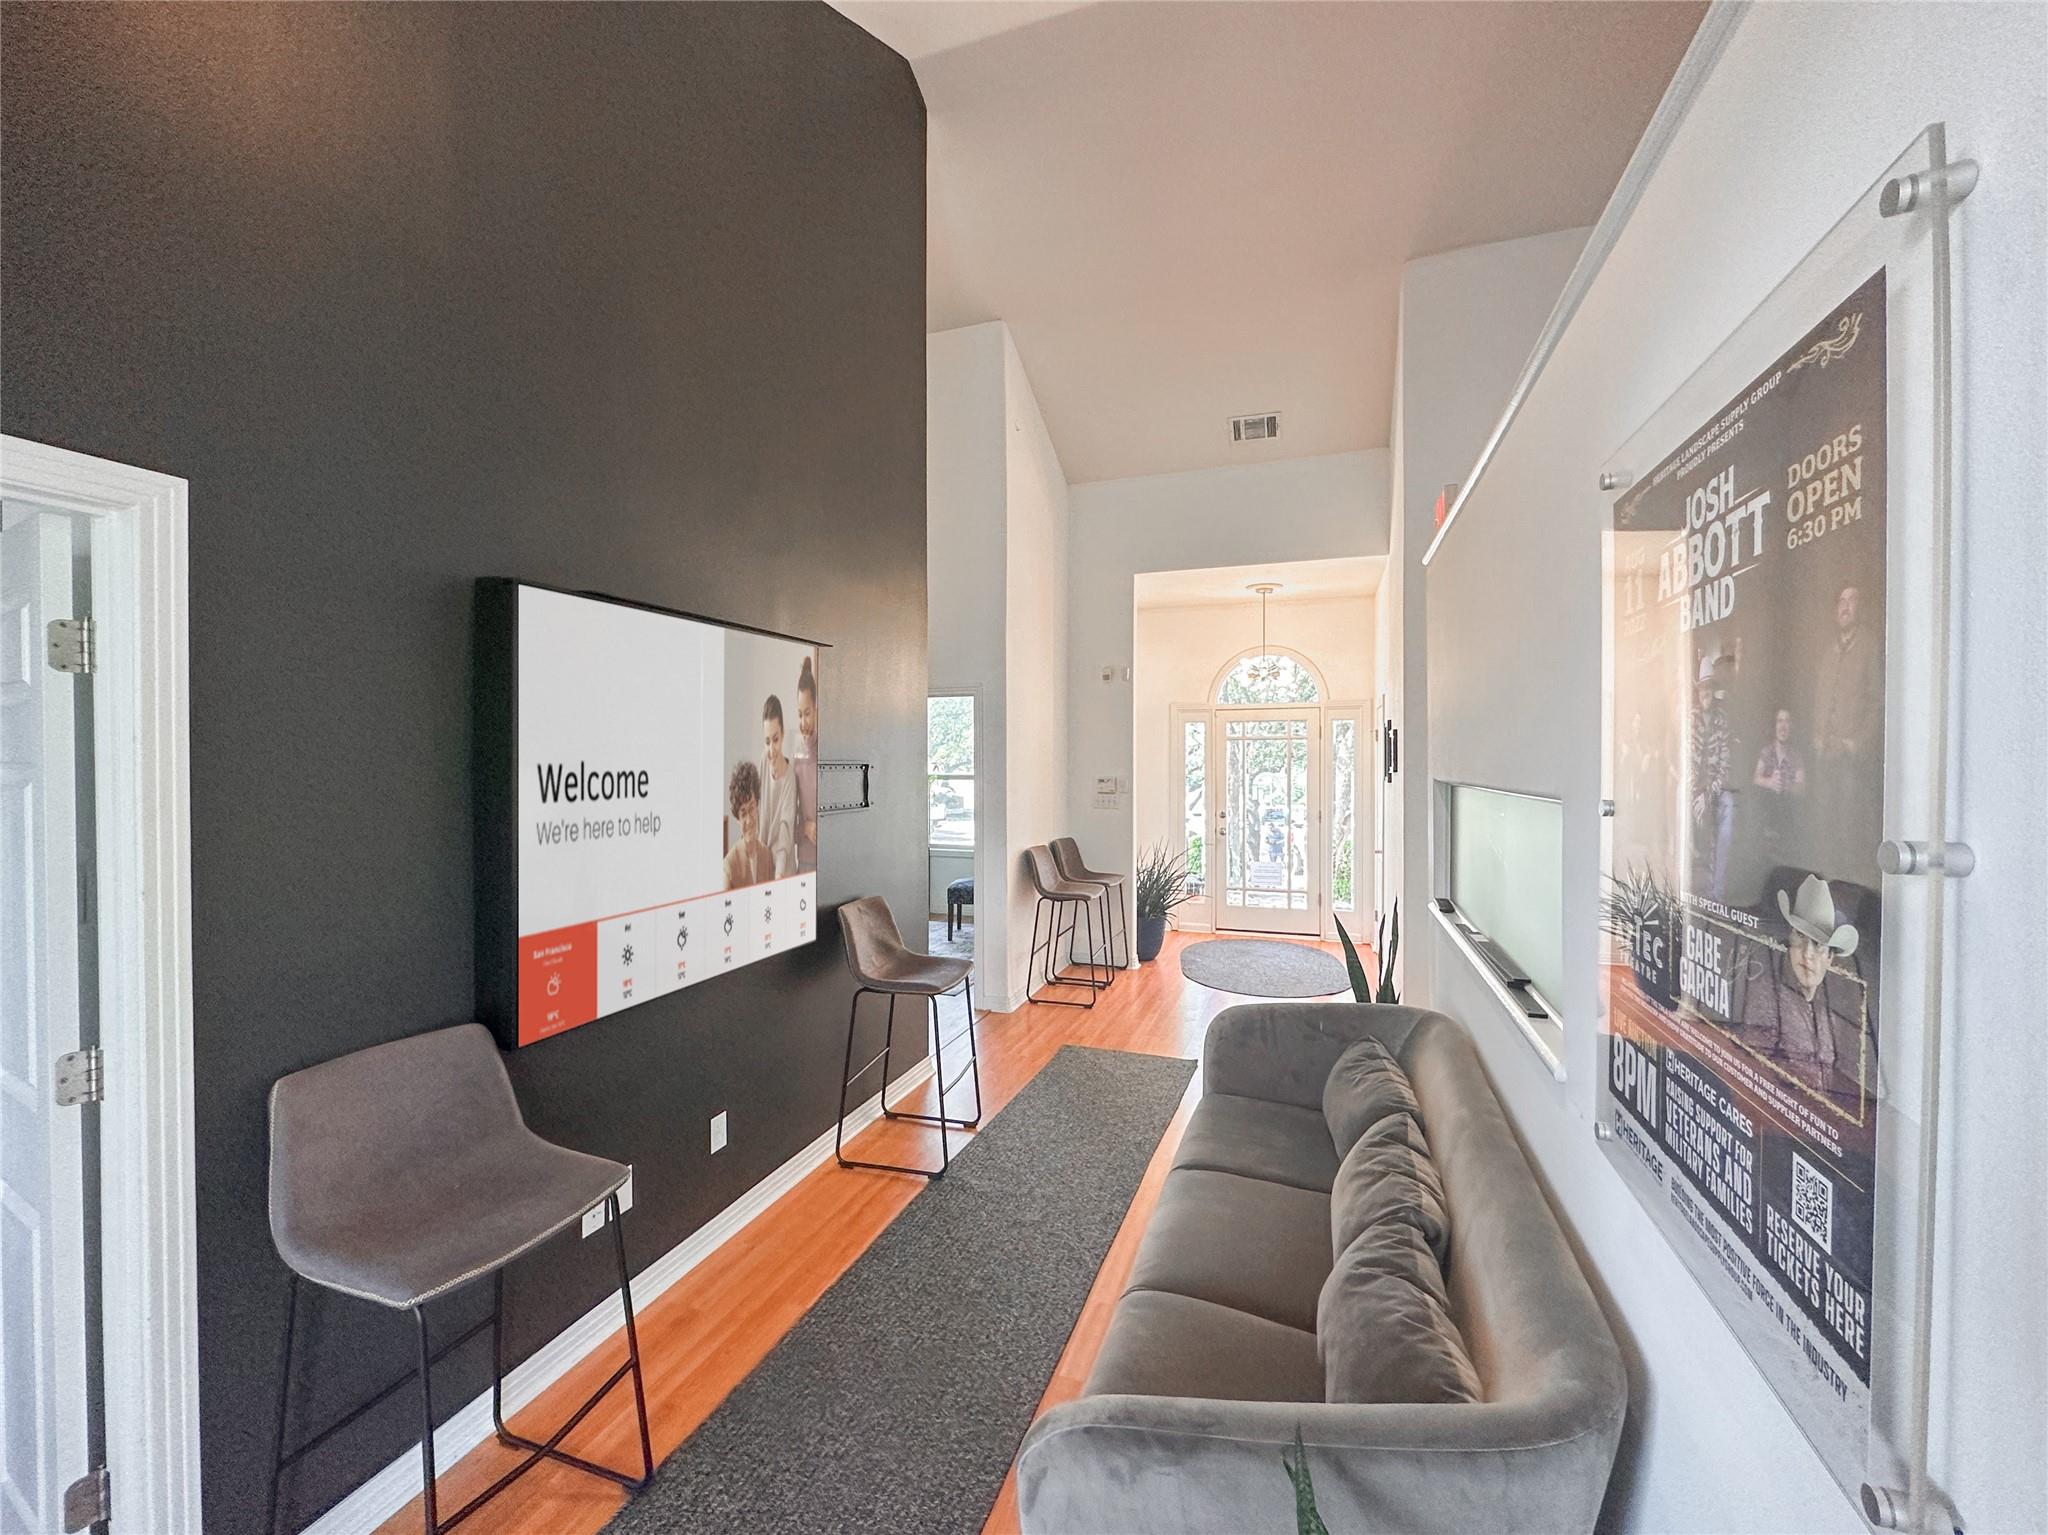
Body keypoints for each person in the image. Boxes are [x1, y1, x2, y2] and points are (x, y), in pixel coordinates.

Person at [1735, 874, 1865, 1098]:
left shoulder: (1833, 1011)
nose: (1807, 954)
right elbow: (1756, 1067)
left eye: (1819, 945)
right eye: (1800, 938)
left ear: (1830, 958)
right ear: (1789, 942)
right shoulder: (1767, 993)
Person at [1810, 584, 1881, 872]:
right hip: (1826, 753)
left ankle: (1849, 885)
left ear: (1860, 607)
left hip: (1853, 758)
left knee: (1850, 825)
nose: (1845, 606)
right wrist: (1817, 735)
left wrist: (1857, 743)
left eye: (1852, 600)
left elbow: (1877, 702)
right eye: (1841, 600)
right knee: (1824, 822)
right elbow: (1819, 697)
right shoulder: (1828, 651)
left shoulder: (1870, 647)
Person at [1689, 650, 1736, 902]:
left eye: (1709, 688)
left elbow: (1725, 767)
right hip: (1694, 790)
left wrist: (1708, 795)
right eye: (1702, 690)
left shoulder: (1722, 719)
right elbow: (1687, 765)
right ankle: (1683, 881)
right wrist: (1696, 795)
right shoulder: (1691, 720)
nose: (1705, 693)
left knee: (1729, 806)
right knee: (1678, 796)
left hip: (1714, 790)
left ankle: (1716, 892)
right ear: (1698, 693)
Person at [1751, 707, 1806, 859]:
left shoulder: (1796, 756)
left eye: (1787, 722)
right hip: (1768, 811)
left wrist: (1786, 785)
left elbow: (1802, 786)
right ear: (1774, 726)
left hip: (1787, 814)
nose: (1783, 726)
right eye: (1779, 721)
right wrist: (1770, 782)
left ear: (1791, 727)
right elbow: (1755, 777)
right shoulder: (1766, 752)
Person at [757, 694, 798, 878]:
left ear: (782, 734)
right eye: (767, 742)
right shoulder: (763, 762)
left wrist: (779, 874)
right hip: (764, 865)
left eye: (775, 740)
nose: (771, 749)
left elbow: (785, 829)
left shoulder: (790, 777)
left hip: (783, 870)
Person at [724, 761, 774, 890]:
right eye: (743, 813)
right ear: (737, 819)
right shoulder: (729, 865)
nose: (749, 820)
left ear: (757, 805)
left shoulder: (767, 856)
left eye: (751, 808)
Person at [793, 657, 818, 872]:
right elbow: (788, 825)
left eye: (807, 713)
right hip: (806, 860)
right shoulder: (796, 758)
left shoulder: (829, 752)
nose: (803, 723)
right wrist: (805, 828)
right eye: (800, 714)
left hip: (832, 856)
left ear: (817, 708)